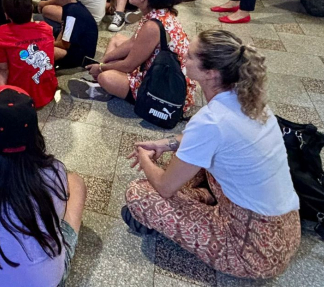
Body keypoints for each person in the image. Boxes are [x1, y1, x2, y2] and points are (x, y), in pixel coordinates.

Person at [122, 30, 301, 280]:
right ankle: (202, 196)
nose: (184, 56)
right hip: (287, 231)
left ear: (211, 73)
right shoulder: (251, 101)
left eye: (191, 56)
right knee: (191, 162)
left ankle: (198, 198)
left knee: (138, 193)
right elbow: (208, 140)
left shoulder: (211, 121)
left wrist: (143, 155)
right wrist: (166, 143)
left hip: (250, 252)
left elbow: (164, 186)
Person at [0, 86, 86, 287]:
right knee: (76, 183)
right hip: (45, 282)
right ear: (35, 132)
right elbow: (56, 219)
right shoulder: (53, 171)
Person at [68, 0, 197, 115]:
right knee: (117, 39)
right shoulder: (158, 12)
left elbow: (129, 65)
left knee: (106, 77)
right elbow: (133, 42)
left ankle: (104, 86)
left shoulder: (152, 26)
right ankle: (104, 87)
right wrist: (104, 62)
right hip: (159, 69)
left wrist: (101, 69)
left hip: (163, 87)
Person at [46, 0, 99, 71]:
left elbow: (65, 44)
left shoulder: (71, 14)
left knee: (44, 49)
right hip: (77, 43)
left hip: (80, 55)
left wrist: (49, 43)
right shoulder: (73, 3)